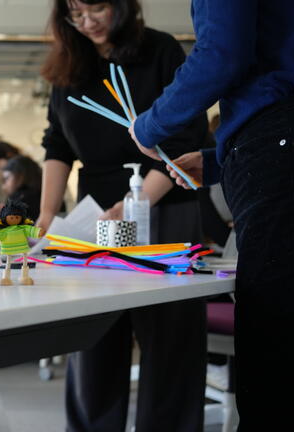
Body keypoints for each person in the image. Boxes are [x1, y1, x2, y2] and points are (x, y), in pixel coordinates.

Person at [128, 2, 294, 430]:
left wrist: (150, 125)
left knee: (279, 359)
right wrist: (219, 161)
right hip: (285, 143)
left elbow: (222, 54)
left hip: (279, 147)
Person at [37, 1, 210, 430]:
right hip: (94, 216)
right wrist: (45, 214)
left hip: (166, 206)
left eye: (97, 8)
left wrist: (136, 205)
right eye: (76, 13)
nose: (88, 21)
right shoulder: (70, 67)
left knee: (171, 343)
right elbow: (57, 145)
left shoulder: (161, 51)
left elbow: (187, 132)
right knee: (93, 340)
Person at [1, 155, 42, 221]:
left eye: (7, 178)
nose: (3, 185)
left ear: (20, 176)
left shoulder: (20, 199)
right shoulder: (45, 194)